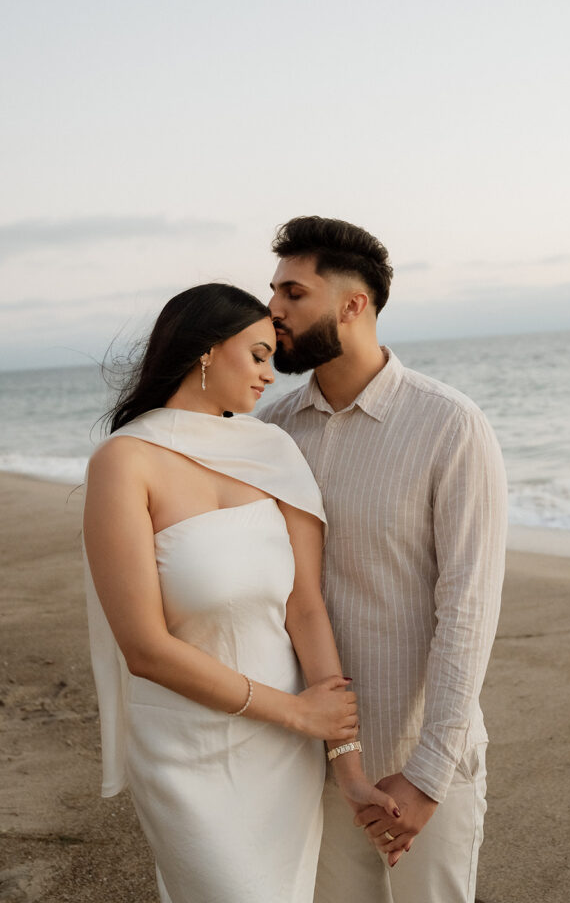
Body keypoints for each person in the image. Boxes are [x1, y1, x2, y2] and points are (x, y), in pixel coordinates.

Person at [83, 283, 398, 903]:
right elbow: (143, 648)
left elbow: (305, 607)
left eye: (271, 360)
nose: (268, 376)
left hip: (284, 756)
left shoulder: (272, 453)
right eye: (256, 355)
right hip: (186, 750)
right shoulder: (125, 462)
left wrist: (350, 766)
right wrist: (294, 712)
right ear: (205, 350)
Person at [259, 217, 507, 903]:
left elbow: (467, 608)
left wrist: (428, 774)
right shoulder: (271, 432)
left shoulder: (448, 425)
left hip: (424, 757)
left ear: (351, 305)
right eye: (272, 291)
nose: (273, 310)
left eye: (292, 292)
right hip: (312, 763)